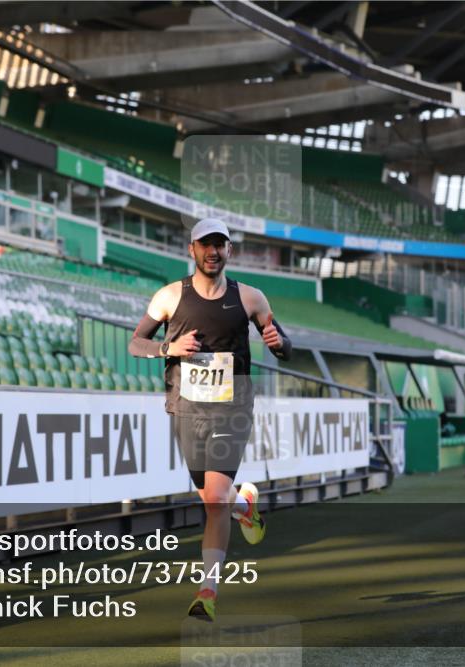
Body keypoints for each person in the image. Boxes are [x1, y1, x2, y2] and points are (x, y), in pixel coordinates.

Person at [128, 218, 292, 622]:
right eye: (206, 245)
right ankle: (245, 504)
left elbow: (284, 344)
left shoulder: (251, 298)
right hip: (186, 408)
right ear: (192, 250)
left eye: (220, 245)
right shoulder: (169, 296)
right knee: (212, 497)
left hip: (232, 408)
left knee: (215, 499)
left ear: (230, 251)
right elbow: (135, 342)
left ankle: (208, 591)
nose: (213, 251)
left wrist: (279, 343)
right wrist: (170, 346)